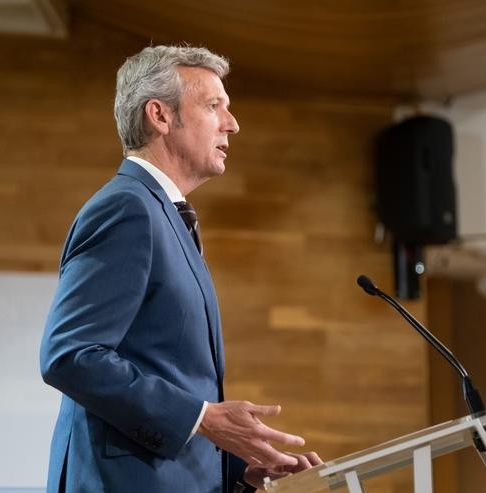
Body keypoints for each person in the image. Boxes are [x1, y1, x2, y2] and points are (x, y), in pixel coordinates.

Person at [39, 44, 321, 492]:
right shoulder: (126, 209)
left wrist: (237, 470)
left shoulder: (166, 214)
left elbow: (166, 371)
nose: (232, 123)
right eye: (214, 106)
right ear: (161, 116)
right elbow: (71, 355)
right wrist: (204, 418)